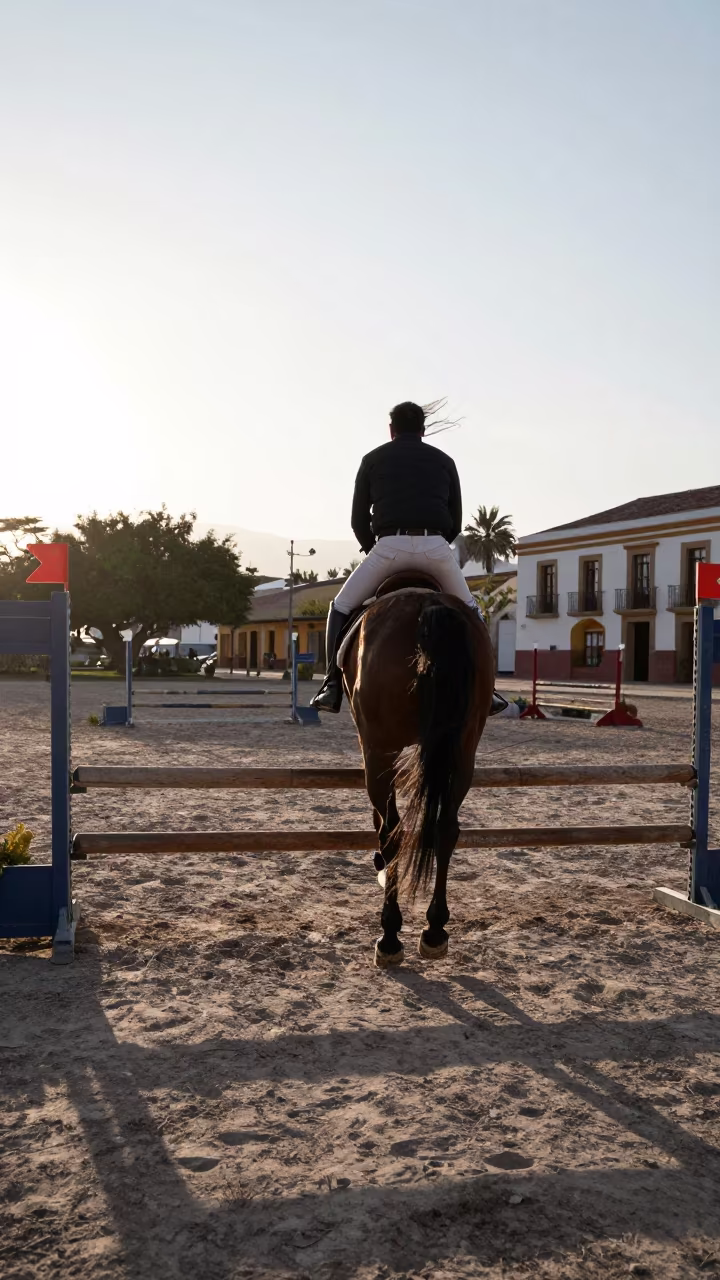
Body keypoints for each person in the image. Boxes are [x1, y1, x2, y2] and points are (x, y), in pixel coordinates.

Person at [311, 401, 509, 714]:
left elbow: (358, 520)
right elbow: (456, 520)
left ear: (391, 430)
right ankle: (490, 690)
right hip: (435, 547)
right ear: (423, 430)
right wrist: (435, 545)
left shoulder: (372, 459)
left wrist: (372, 548)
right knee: (472, 610)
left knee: (341, 606)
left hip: (389, 547)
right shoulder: (445, 461)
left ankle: (331, 685)